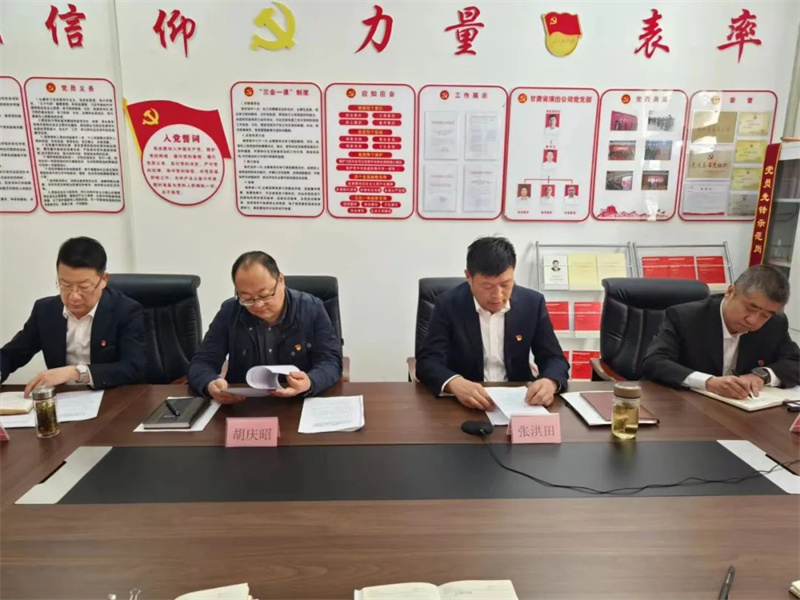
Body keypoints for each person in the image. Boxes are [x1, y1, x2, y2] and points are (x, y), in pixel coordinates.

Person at [416, 237, 569, 410]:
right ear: (468, 277)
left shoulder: (532, 303)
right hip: (466, 402)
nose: (497, 295)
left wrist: (550, 381)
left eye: (505, 284)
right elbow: (428, 361)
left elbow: (554, 358)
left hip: (519, 401)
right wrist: (454, 383)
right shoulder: (448, 305)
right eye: (487, 286)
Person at [188, 251, 342, 403]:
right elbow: (202, 362)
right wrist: (210, 384)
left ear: (280, 280)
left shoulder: (311, 309)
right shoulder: (230, 312)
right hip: (244, 404)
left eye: (265, 295)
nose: (258, 305)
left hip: (298, 402)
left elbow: (330, 360)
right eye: (247, 298)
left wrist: (310, 382)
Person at [0, 237, 146, 396]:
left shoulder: (126, 311)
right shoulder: (45, 311)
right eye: (65, 285)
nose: (74, 296)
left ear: (103, 280)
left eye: (84, 287)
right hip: (62, 400)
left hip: (112, 399)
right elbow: (11, 355)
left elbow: (133, 367)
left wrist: (76, 372)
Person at [643, 265, 800, 398]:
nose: (753, 320)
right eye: (750, 308)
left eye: (765, 315)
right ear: (730, 292)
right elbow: (654, 362)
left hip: (743, 412)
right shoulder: (685, 317)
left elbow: (795, 362)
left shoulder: (775, 324)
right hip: (688, 406)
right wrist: (709, 382)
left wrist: (761, 375)